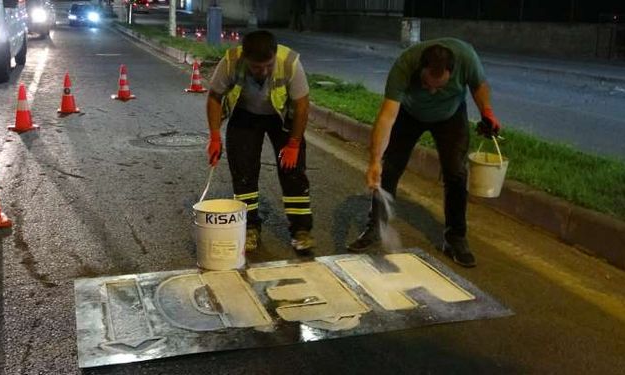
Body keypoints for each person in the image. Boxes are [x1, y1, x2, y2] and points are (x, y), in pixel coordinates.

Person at [346, 38, 501, 268]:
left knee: (456, 173)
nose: (432, 91)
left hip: (450, 116)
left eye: (439, 87)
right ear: (420, 69)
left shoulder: (466, 57)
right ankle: (376, 228)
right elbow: (387, 116)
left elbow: (479, 85)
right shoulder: (405, 65)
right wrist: (374, 161)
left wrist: (487, 112)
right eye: (427, 85)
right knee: (389, 169)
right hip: (410, 113)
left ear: (452, 71)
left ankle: (455, 238)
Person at [205, 30, 314, 253]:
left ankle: (301, 230)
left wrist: (293, 144)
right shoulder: (231, 62)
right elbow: (214, 97)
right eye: (257, 67)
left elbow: (302, 106)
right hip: (245, 115)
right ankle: (250, 227)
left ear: (275, 55)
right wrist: (215, 136)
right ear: (246, 59)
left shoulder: (290, 63)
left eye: (268, 65)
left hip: (281, 117)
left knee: (293, 171)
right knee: (243, 171)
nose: (263, 71)